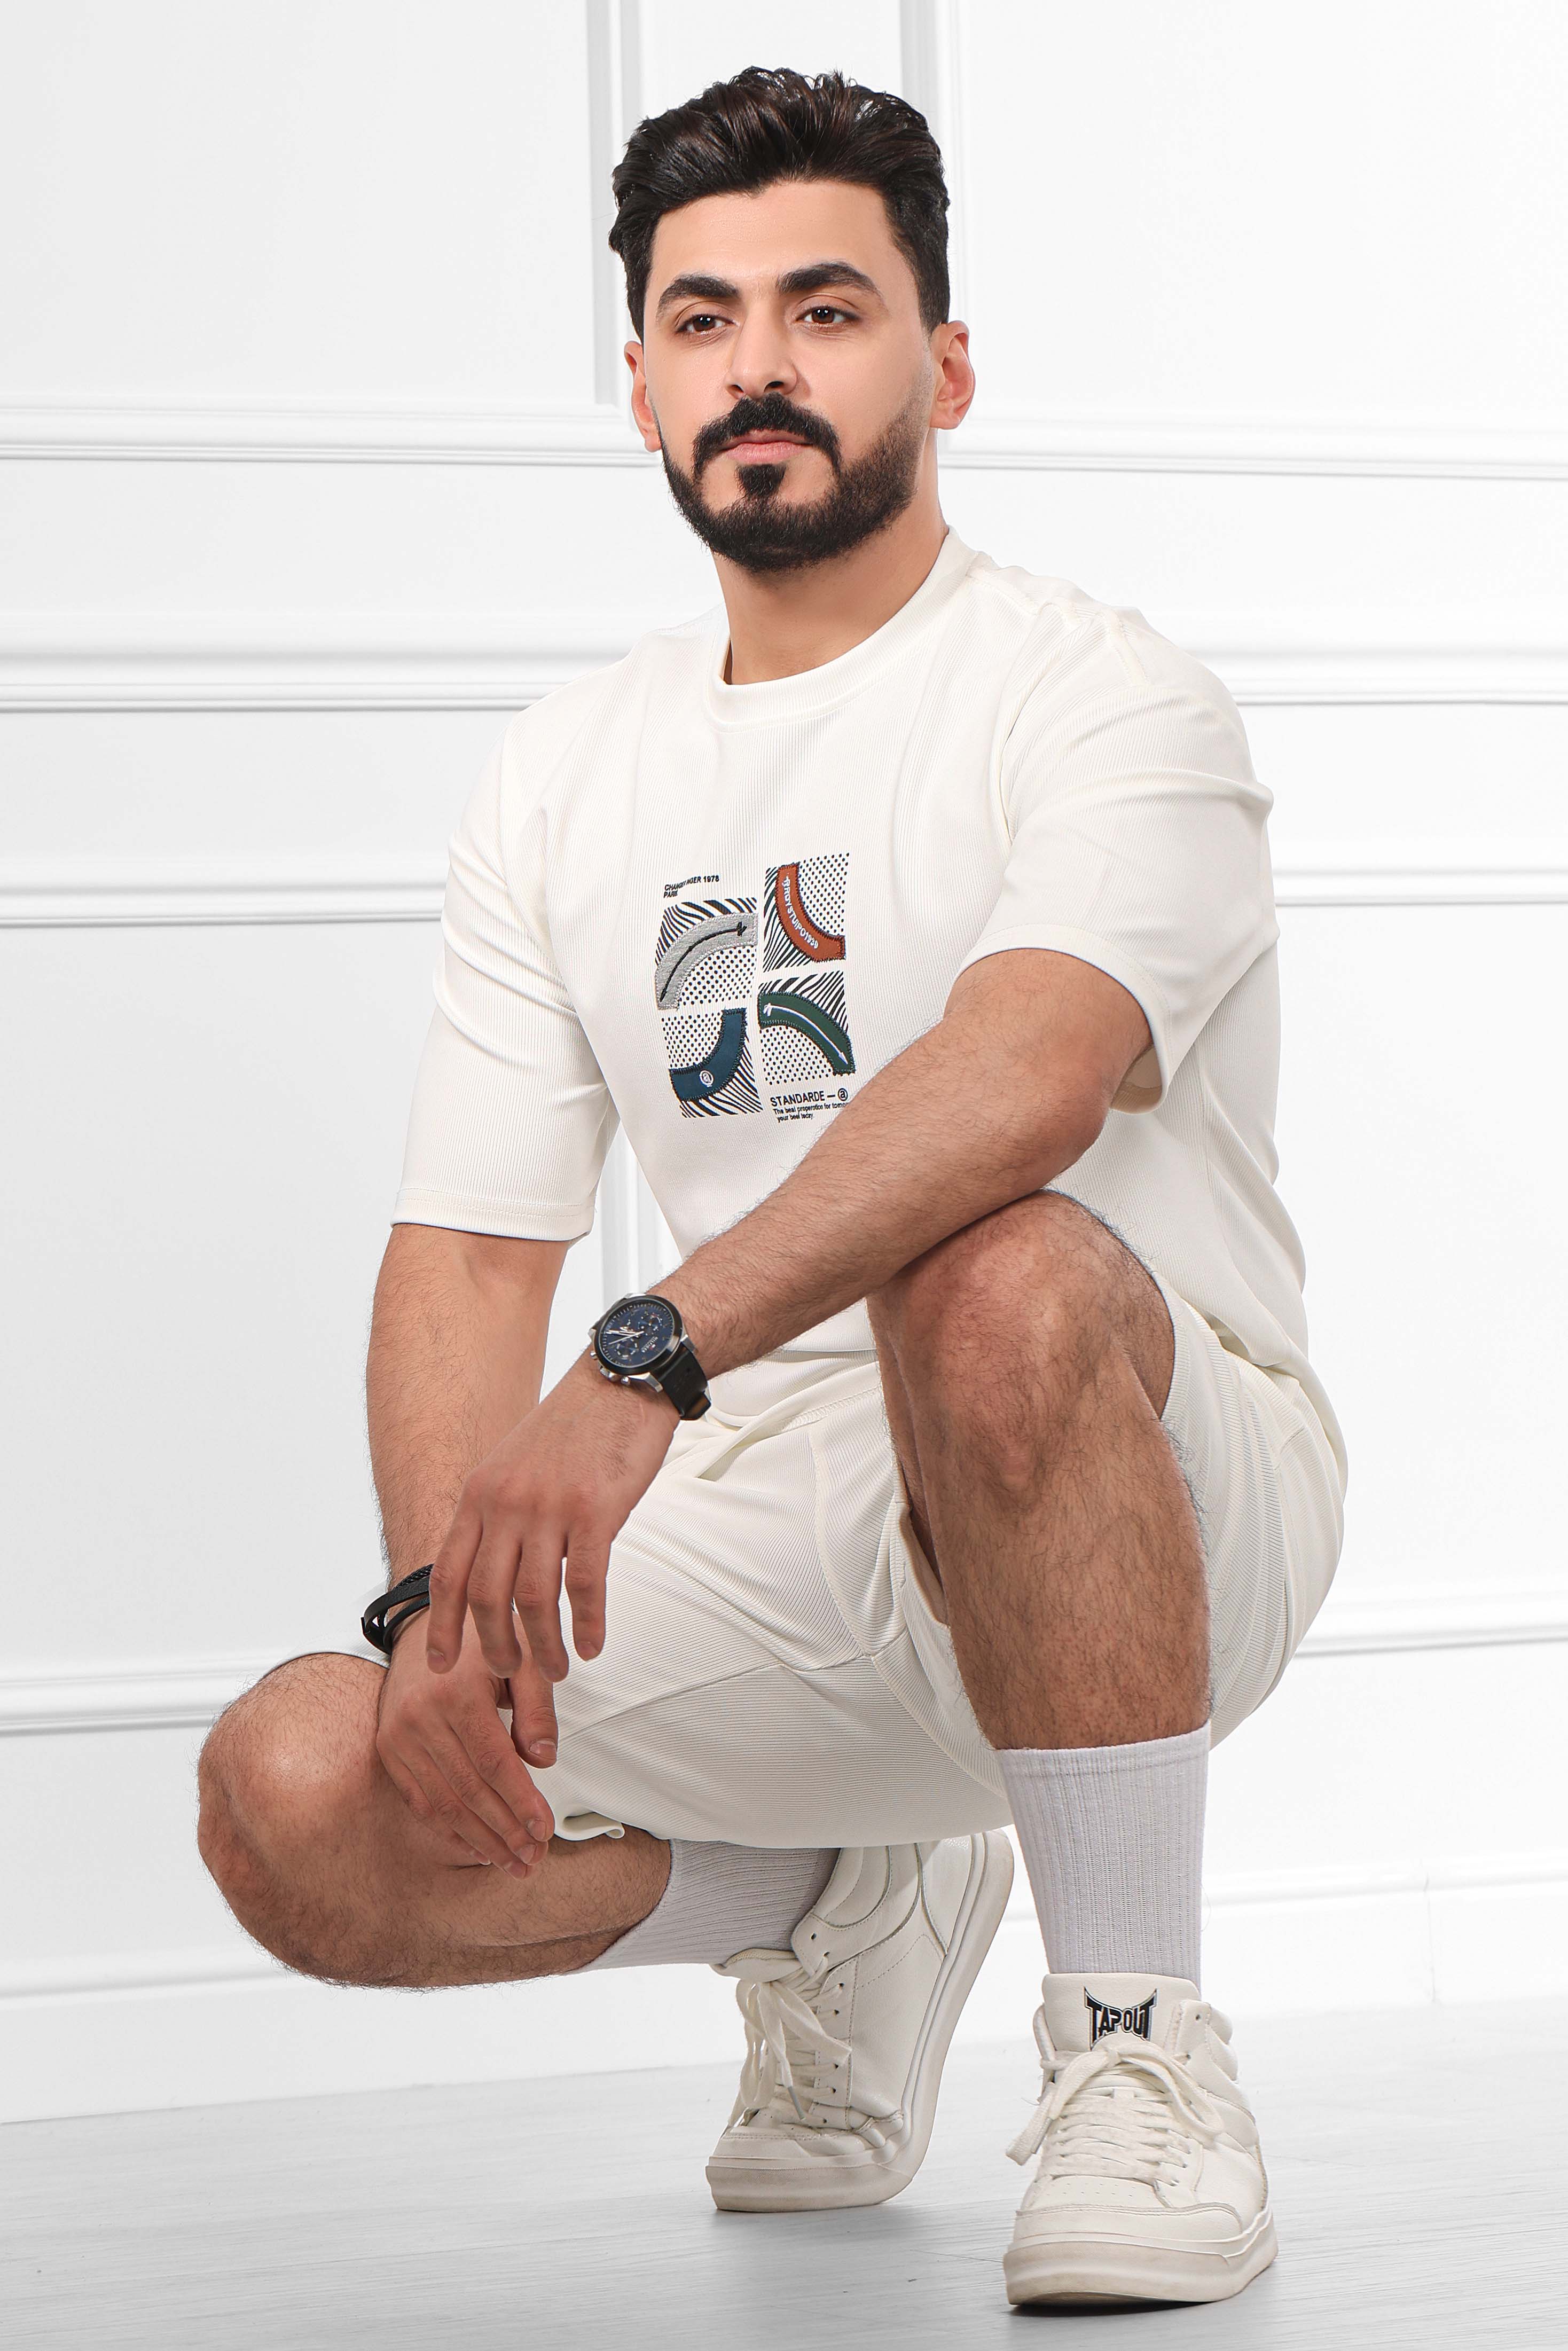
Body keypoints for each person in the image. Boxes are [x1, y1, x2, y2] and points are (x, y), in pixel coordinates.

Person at [197, 65, 1347, 2314]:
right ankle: (838, 1900)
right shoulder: (568, 770)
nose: (760, 367)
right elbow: (469, 1251)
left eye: (826, 310)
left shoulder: (1101, 697)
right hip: (771, 1511)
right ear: (638, 383)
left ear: (945, 363)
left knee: (986, 1274)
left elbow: (1022, 1077)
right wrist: (438, 1623)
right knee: (298, 1788)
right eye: (702, 319)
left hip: (1155, 1479)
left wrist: (647, 1355)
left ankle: (1136, 2049)